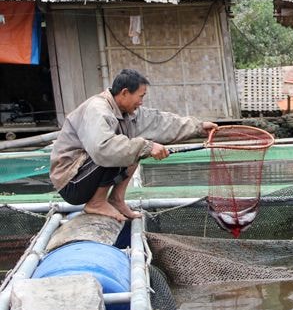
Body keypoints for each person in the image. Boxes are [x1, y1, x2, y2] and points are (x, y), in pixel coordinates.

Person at [49, 69, 218, 221]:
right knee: (132, 147)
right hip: (71, 181)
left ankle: (116, 199)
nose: (141, 102)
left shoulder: (129, 112)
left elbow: (161, 122)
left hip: (86, 174)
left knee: (137, 147)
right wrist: (147, 146)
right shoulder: (98, 109)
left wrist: (198, 127)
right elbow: (103, 149)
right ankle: (97, 203)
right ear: (124, 93)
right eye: (140, 96)